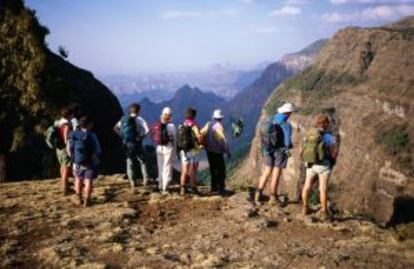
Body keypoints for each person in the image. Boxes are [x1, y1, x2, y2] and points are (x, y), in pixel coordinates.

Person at [255, 103, 296, 207]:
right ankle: (273, 196)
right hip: (280, 151)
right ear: (288, 113)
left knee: (267, 171)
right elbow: (287, 143)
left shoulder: (270, 119)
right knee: (276, 172)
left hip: (267, 149)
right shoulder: (286, 124)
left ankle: (257, 194)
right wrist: (289, 147)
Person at [301, 114, 338, 221]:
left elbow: (304, 147)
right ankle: (324, 211)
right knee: (323, 188)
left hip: (310, 164)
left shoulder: (309, 133)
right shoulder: (328, 137)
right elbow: (333, 151)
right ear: (326, 124)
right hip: (323, 165)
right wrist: (332, 160)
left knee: (307, 185)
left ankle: (305, 207)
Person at [114, 103, 150, 192]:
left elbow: (115, 128)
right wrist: (141, 137)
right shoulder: (140, 119)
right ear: (138, 111)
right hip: (137, 143)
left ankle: (132, 182)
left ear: (130, 110)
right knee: (142, 161)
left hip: (127, 143)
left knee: (129, 162)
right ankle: (145, 180)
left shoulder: (124, 119)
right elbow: (148, 130)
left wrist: (123, 136)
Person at [68, 116, 101, 207]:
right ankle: (87, 200)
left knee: (78, 179)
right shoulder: (92, 135)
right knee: (88, 180)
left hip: (77, 162)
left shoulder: (73, 134)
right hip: (90, 162)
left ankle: (78, 198)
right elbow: (98, 150)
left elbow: (69, 148)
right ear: (89, 125)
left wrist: (74, 159)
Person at [201, 109, 230, 195]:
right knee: (221, 169)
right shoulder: (219, 126)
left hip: (209, 151)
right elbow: (222, 140)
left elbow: (201, 133)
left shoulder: (208, 124)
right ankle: (221, 187)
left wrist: (203, 144)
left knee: (213, 169)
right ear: (220, 118)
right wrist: (227, 151)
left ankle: (213, 187)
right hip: (217, 152)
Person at [177, 108, 202, 196]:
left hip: (184, 150)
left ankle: (182, 189)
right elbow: (199, 137)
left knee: (184, 170)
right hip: (194, 150)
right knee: (193, 170)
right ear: (194, 116)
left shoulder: (181, 125)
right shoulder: (194, 125)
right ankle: (193, 188)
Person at [151, 107, 176, 195]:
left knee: (160, 167)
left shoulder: (157, 124)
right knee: (167, 168)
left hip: (159, 147)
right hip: (168, 147)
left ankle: (160, 186)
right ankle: (165, 188)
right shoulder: (171, 126)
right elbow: (174, 138)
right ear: (170, 116)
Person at [55, 107, 73, 195]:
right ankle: (65, 188)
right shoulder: (67, 125)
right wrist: (69, 149)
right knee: (66, 168)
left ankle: (64, 184)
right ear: (69, 115)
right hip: (64, 148)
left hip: (58, 148)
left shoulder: (58, 123)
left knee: (62, 166)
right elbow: (66, 138)